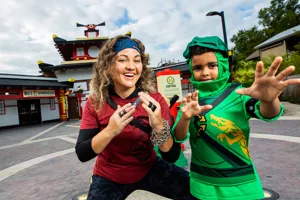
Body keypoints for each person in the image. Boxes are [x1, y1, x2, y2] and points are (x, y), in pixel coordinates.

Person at [172, 36, 300, 200]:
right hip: (201, 185)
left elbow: (269, 114)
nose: (205, 72)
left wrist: (269, 99)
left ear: (223, 64)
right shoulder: (189, 101)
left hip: (242, 186)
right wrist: (185, 117)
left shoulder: (239, 94)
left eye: (212, 65)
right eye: (197, 67)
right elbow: (179, 136)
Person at [75, 35, 196, 200]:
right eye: (123, 60)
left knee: (197, 193)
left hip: (149, 167)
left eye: (137, 60)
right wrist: (110, 131)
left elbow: (172, 156)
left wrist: (159, 125)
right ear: (108, 66)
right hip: (109, 176)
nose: (131, 67)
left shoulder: (155, 99)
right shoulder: (95, 102)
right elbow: (82, 153)